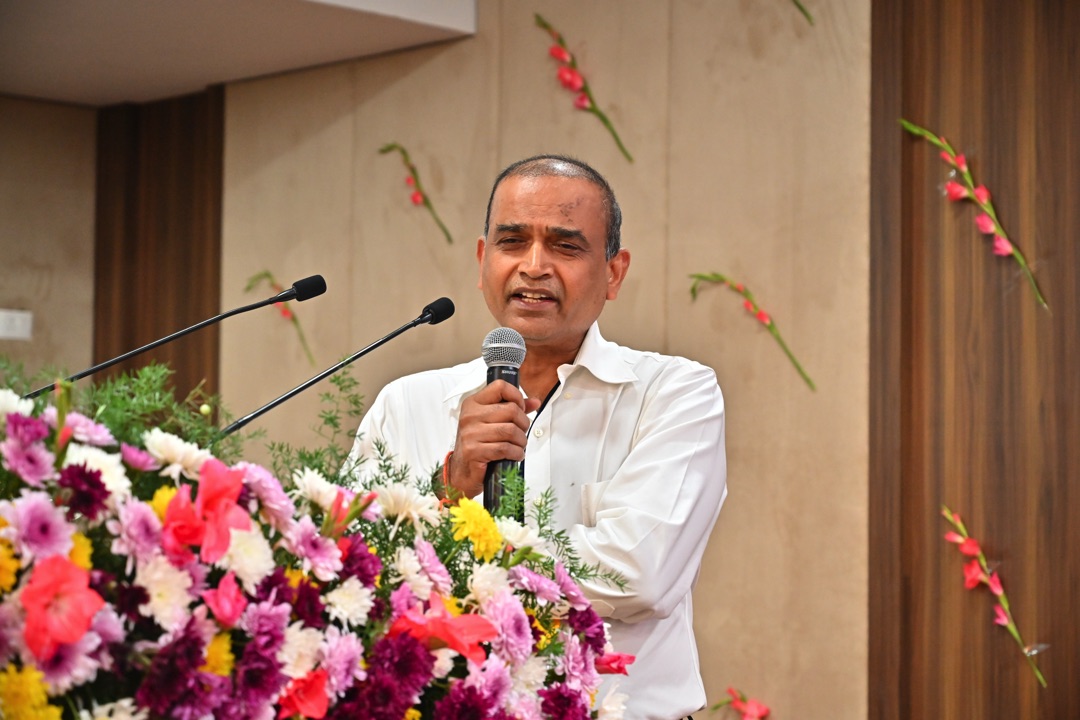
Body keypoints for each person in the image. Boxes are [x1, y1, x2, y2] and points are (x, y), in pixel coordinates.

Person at [347, 154, 727, 719]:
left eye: (565, 246)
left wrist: (451, 557)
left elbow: (637, 575)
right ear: (483, 260)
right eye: (512, 241)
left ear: (614, 272)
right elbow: (356, 577)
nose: (533, 266)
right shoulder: (407, 404)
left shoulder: (672, 393)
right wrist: (450, 489)